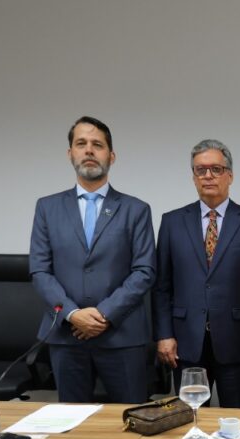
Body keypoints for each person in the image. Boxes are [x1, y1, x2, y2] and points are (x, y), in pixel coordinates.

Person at [29, 116, 156, 403]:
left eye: (97, 145)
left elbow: (144, 271)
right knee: (72, 422)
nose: (89, 150)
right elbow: (40, 271)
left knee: (131, 418)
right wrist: (73, 314)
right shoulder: (47, 208)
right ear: (70, 153)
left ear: (111, 156)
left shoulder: (136, 210)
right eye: (81, 144)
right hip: (67, 335)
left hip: (122, 336)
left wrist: (103, 314)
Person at [153, 139, 240, 408]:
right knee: (189, 417)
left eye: (216, 169)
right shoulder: (172, 222)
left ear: (230, 175)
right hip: (185, 343)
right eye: (200, 170)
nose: (208, 175)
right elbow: (162, 287)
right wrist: (164, 335)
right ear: (193, 177)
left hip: (238, 343)